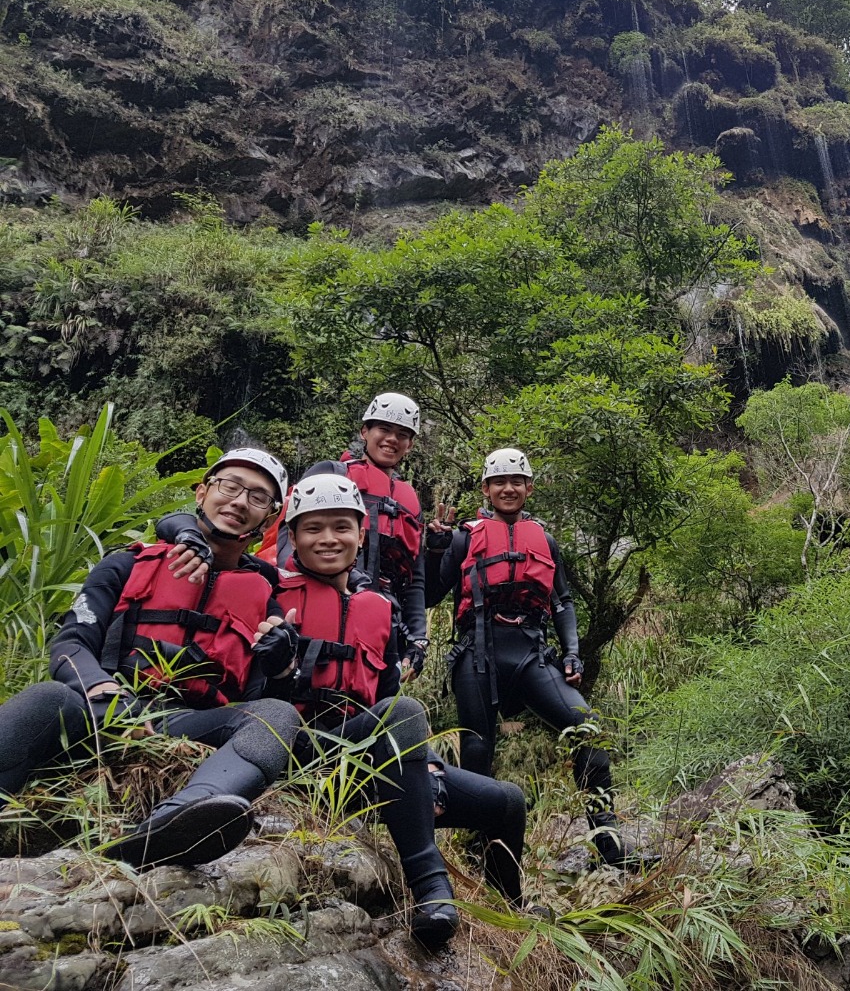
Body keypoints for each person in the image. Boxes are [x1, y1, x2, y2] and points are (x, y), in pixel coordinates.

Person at [261, 466, 527, 947]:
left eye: (341, 527)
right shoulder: (266, 592)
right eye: (313, 528)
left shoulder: (378, 608)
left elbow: (382, 695)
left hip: (363, 758)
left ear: (360, 535)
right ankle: (429, 883)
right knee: (403, 712)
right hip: (299, 757)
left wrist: (421, 766)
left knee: (506, 800)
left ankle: (512, 919)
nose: (328, 539)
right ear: (292, 535)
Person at [44, 448, 302, 869]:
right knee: (47, 698)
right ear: (202, 493)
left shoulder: (268, 602)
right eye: (230, 486)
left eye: (257, 497)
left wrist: (282, 667)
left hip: (190, 722)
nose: (239, 501)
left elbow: (269, 695)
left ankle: (179, 820)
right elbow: (71, 643)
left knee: (275, 715)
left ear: (268, 520)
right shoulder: (125, 564)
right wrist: (103, 690)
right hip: (105, 711)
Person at [426, 448, 642, 869]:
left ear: (529, 488)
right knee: (477, 749)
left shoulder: (545, 540)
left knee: (587, 732)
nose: (508, 488)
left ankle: (610, 844)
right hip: (478, 654)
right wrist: (434, 552)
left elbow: (562, 602)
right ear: (486, 489)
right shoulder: (462, 538)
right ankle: (476, 850)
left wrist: (573, 652)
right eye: (499, 482)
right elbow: (431, 595)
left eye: (517, 481)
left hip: (530, 653)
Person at [273, 394, 428, 684]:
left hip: (383, 617)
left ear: (410, 444)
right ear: (364, 432)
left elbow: (415, 577)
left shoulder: (412, 502)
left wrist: (418, 636)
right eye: (383, 429)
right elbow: (288, 532)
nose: (392, 439)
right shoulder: (332, 472)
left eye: (402, 434)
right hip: (323, 598)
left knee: (371, 701)